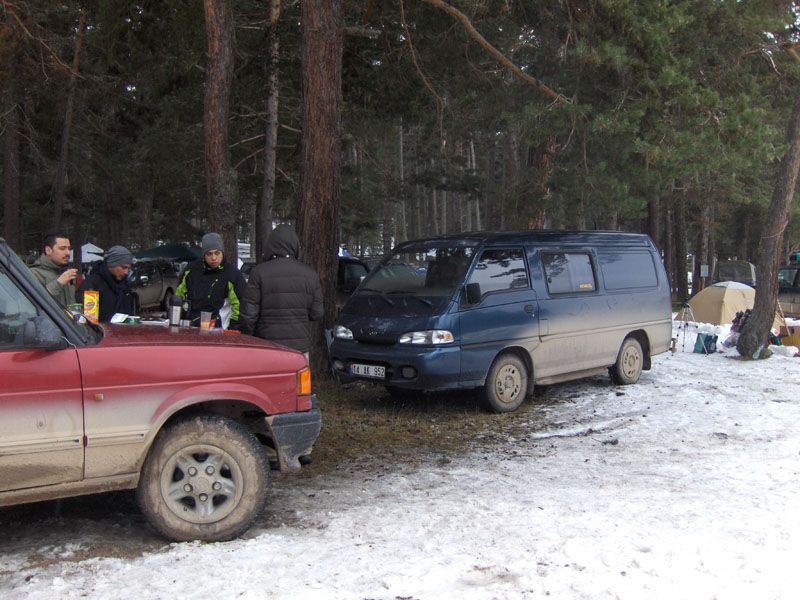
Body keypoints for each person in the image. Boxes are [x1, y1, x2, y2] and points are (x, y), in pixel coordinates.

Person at [240, 224, 323, 355]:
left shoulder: (259, 272)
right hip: (299, 348)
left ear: (270, 246)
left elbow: (248, 315)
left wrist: (248, 338)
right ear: (295, 246)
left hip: (267, 346)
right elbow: (317, 313)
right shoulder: (311, 275)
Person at [176, 232, 246, 329]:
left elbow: (240, 306)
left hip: (220, 329)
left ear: (222, 253)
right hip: (192, 327)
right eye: (209, 254)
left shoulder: (232, 274)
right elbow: (178, 297)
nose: (213, 258)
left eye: (217, 253)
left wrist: (233, 328)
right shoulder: (191, 270)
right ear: (204, 254)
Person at [77, 245, 135, 322]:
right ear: (112, 264)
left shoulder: (124, 285)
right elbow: (88, 318)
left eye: (128, 268)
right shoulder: (92, 284)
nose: (126, 272)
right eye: (123, 267)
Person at [29, 233, 77, 306]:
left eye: (69, 248)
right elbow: (34, 302)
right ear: (48, 250)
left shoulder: (67, 273)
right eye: (62, 248)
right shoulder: (34, 273)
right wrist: (59, 283)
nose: (68, 253)